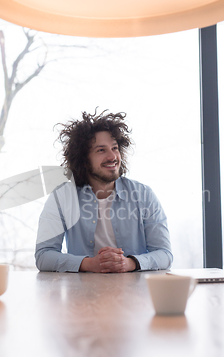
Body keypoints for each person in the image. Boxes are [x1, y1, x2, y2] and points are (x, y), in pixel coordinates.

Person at [35, 111, 173, 273]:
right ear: (84, 159)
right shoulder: (62, 197)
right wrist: (89, 264)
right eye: (101, 150)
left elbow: (165, 254)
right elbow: (43, 256)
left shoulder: (144, 195)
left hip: (135, 292)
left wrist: (130, 263)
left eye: (115, 148)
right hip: (81, 293)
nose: (112, 156)